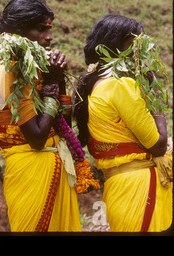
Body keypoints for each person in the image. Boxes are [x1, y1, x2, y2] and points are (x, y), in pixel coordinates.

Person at [0, 0, 81, 231]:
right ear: (18, 32)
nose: (49, 37)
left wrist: (58, 81)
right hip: (32, 171)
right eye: (41, 29)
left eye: (50, 29)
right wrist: (50, 92)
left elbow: (64, 124)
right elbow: (37, 138)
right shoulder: (11, 69)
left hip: (51, 166)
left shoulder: (31, 68)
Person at [74, 14, 172, 231]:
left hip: (118, 187)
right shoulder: (120, 85)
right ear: (117, 49)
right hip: (141, 188)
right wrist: (156, 98)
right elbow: (158, 144)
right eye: (134, 46)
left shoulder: (94, 83)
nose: (140, 54)